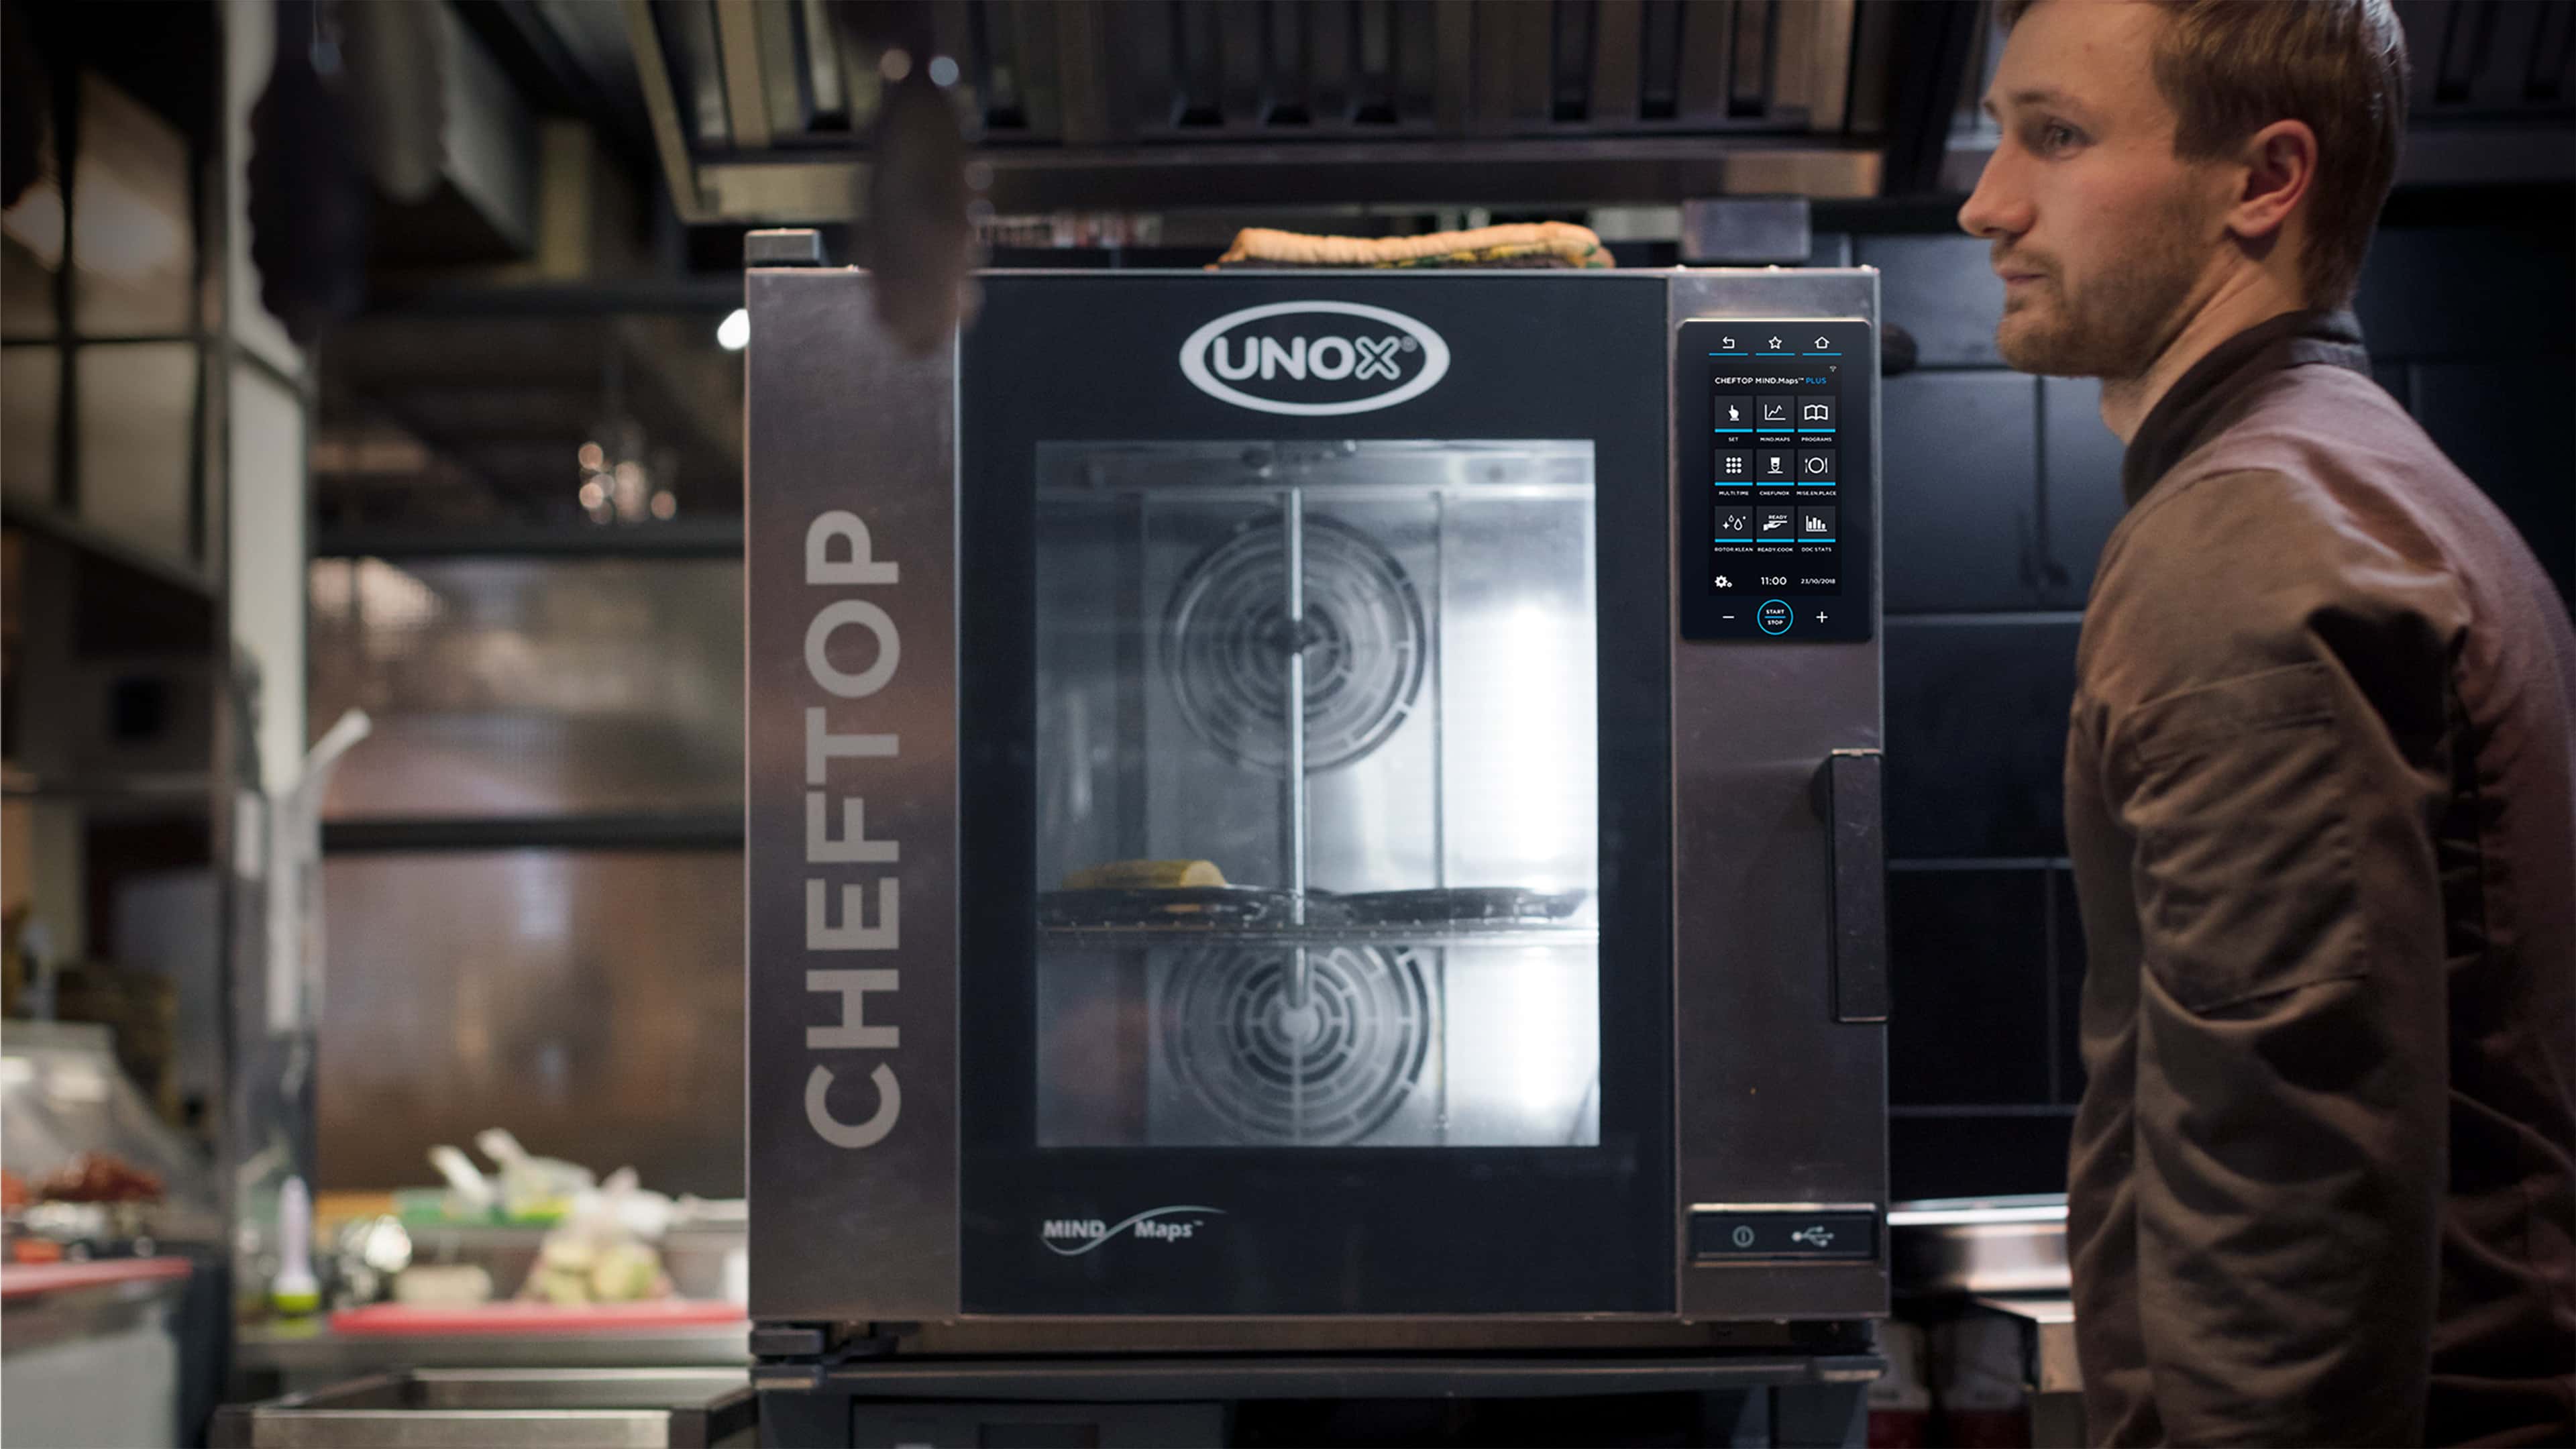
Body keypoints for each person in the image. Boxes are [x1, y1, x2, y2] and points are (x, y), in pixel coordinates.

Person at [1957, 1, 2576, 1443]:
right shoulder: (2356, 480)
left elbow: (2288, 1173)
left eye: (2055, 136)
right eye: (1999, 135)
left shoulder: (2252, 535)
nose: (1988, 202)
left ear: (2263, 181)